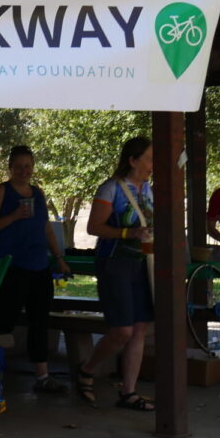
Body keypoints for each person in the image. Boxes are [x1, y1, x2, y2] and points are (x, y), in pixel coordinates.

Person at [0, 146, 71, 393]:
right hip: (8, 266)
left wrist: (59, 258)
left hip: (39, 265)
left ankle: (42, 377)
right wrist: (13, 216)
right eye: (18, 166)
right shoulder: (0, 192)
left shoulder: (38, 194)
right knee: (4, 320)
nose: (23, 171)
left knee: (40, 320)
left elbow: (46, 228)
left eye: (28, 166)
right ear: (10, 167)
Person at [77, 137, 155, 410]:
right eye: (148, 158)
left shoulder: (149, 190)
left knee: (140, 328)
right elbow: (94, 227)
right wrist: (127, 233)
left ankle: (129, 392)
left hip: (141, 264)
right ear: (132, 161)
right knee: (122, 330)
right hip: (114, 263)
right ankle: (87, 369)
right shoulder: (111, 188)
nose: (152, 165)